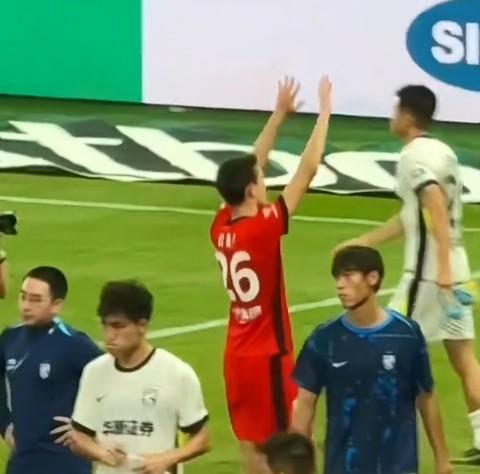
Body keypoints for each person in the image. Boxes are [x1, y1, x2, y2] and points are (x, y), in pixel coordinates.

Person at [335, 85, 480, 466]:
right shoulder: (444, 152)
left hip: (429, 275)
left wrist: (441, 269)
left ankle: (375, 429)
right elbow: (413, 217)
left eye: (396, 111)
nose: (392, 117)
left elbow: (433, 203)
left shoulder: (413, 156)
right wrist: (363, 242)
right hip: (456, 265)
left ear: (407, 116)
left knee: (383, 343)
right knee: (463, 355)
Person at [210, 76, 332, 473]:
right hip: (267, 355)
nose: (264, 180)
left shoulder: (220, 226)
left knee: (251, 443)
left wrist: (279, 115)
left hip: (235, 354)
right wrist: (325, 111)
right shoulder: (263, 228)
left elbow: (251, 164)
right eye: (260, 180)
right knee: (291, 442)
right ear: (250, 191)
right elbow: (308, 169)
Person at [291, 246, 452, 474]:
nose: (340, 285)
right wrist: (296, 466)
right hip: (343, 466)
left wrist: (442, 458)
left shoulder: (406, 334)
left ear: (372, 278)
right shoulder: (325, 339)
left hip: (398, 465)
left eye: (348, 276)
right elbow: (304, 405)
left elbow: (426, 397)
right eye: (337, 278)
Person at [55, 280, 210, 474]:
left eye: (118, 326)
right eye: (105, 325)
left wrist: (166, 459)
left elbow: (202, 439)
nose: (109, 335)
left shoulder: (176, 373)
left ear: (142, 326)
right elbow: (79, 437)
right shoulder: (94, 372)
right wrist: (101, 453)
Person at [0, 266, 102, 474]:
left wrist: (86, 427)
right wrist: (4, 425)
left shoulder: (74, 344)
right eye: (23, 297)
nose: (26, 306)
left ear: (57, 305)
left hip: (66, 463)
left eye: (36, 300)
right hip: (21, 463)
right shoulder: (10, 338)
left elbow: (114, 380)